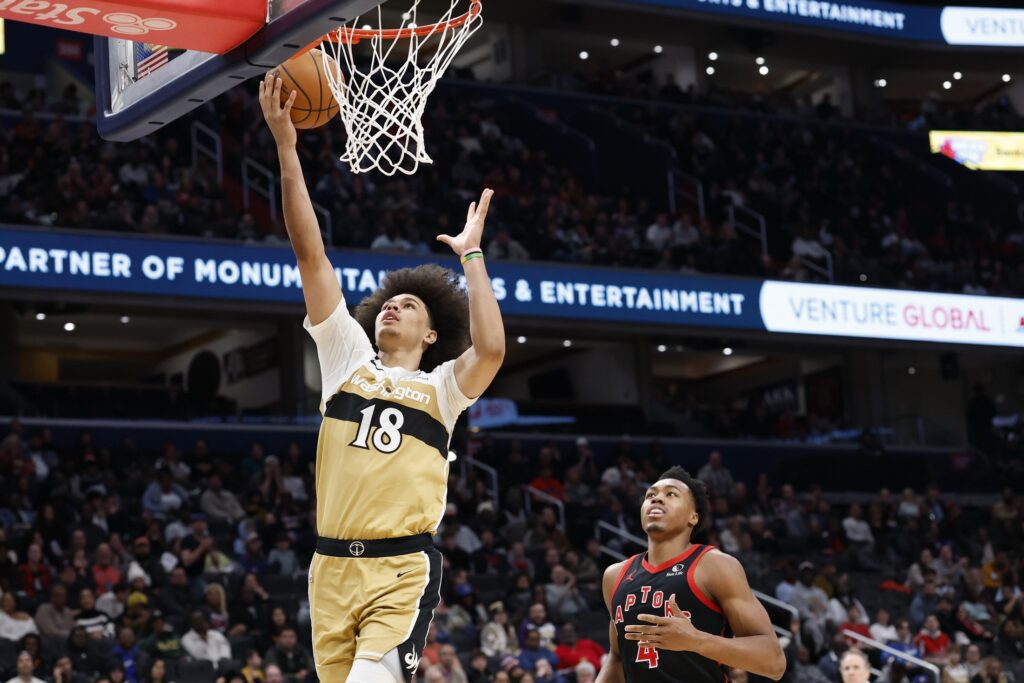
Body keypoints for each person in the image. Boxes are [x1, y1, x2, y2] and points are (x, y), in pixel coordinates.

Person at [259, 72, 505, 683]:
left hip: (401, 567)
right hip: (329, 569)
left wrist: (471, 256)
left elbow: (493, 349)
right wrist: (287, 147)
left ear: (429, 336)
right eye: (389, 303)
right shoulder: (345, 357)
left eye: (411, 306)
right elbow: (310, 254)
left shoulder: (442, 388)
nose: (393, 306)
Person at [598, 466, 785, 683]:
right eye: (651, 495)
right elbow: (618, 660)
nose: (657, 499)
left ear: (693, 516)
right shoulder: (615, 575)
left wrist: (695, 640)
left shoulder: (714, 565)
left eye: (671, 494)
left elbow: (774, 663)